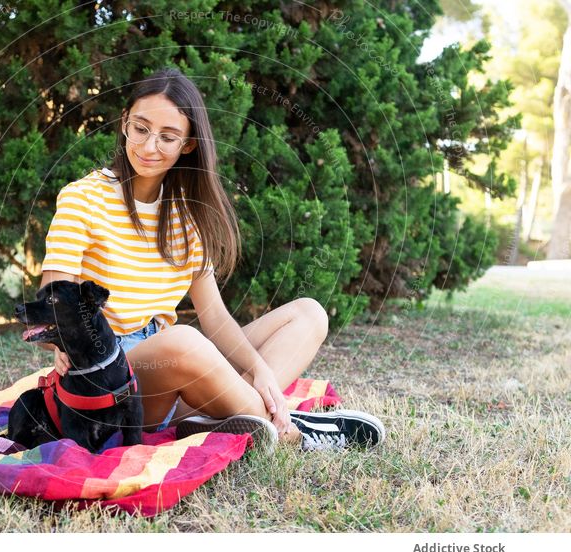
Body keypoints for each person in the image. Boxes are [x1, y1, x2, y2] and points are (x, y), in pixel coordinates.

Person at [34, 67, 385, 452]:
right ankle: (290, 431)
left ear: (187, 145)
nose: (150, 147)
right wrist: (61, 343)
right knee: (182, 340)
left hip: (173, 374)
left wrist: (261, 371)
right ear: (124, 124)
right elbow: (55, 292)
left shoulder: (186, 213)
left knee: (309, 314)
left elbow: (215, 318)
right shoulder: (82, 197)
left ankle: (231, 415)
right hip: (110, 380)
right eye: (140, 129)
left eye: (168, 137)